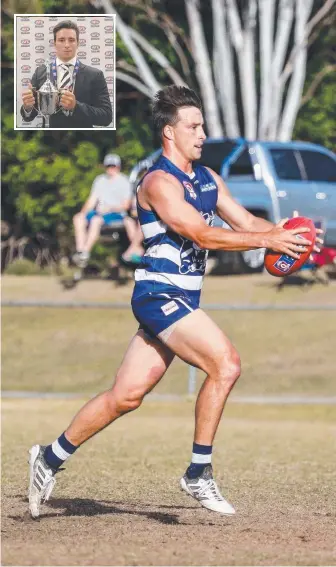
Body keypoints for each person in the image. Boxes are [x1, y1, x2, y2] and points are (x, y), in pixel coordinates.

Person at [28, 86, 323, 519]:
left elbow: (245, 222)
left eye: (203, 126)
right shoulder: (158, 183)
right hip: (158, 296)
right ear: (170, 133)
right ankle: (198, 472)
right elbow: (200, 234)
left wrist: (287, 236)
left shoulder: (208, 179)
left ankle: (48, 457)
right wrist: (266, 239)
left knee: (125, 396)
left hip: (182, 298)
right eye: (194, 126)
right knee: (227, 364)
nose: (202, 134)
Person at [20, 20, 112, 128]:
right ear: (54, 43)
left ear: (78, 43)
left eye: (71, 40)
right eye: (61, 40)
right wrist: (28, 107)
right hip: (50, 140)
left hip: (82, 140)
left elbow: (106, 117)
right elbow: (28, 116)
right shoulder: (40, 72)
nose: (67, 45)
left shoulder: (95, 75)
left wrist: (75, 106)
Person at [72, 153, 143, 268]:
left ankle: (85, 251)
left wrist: (109, 208)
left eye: (113, 166)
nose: (111, 169)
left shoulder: (124, 181)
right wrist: (83, 213)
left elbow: (126, 205)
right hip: (100, 213)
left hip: (115, 214)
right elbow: (92, 200)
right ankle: (80, 251)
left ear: (118, 167)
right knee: (78, 218)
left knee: (96, 220)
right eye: (109, 166)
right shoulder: (100, 180)